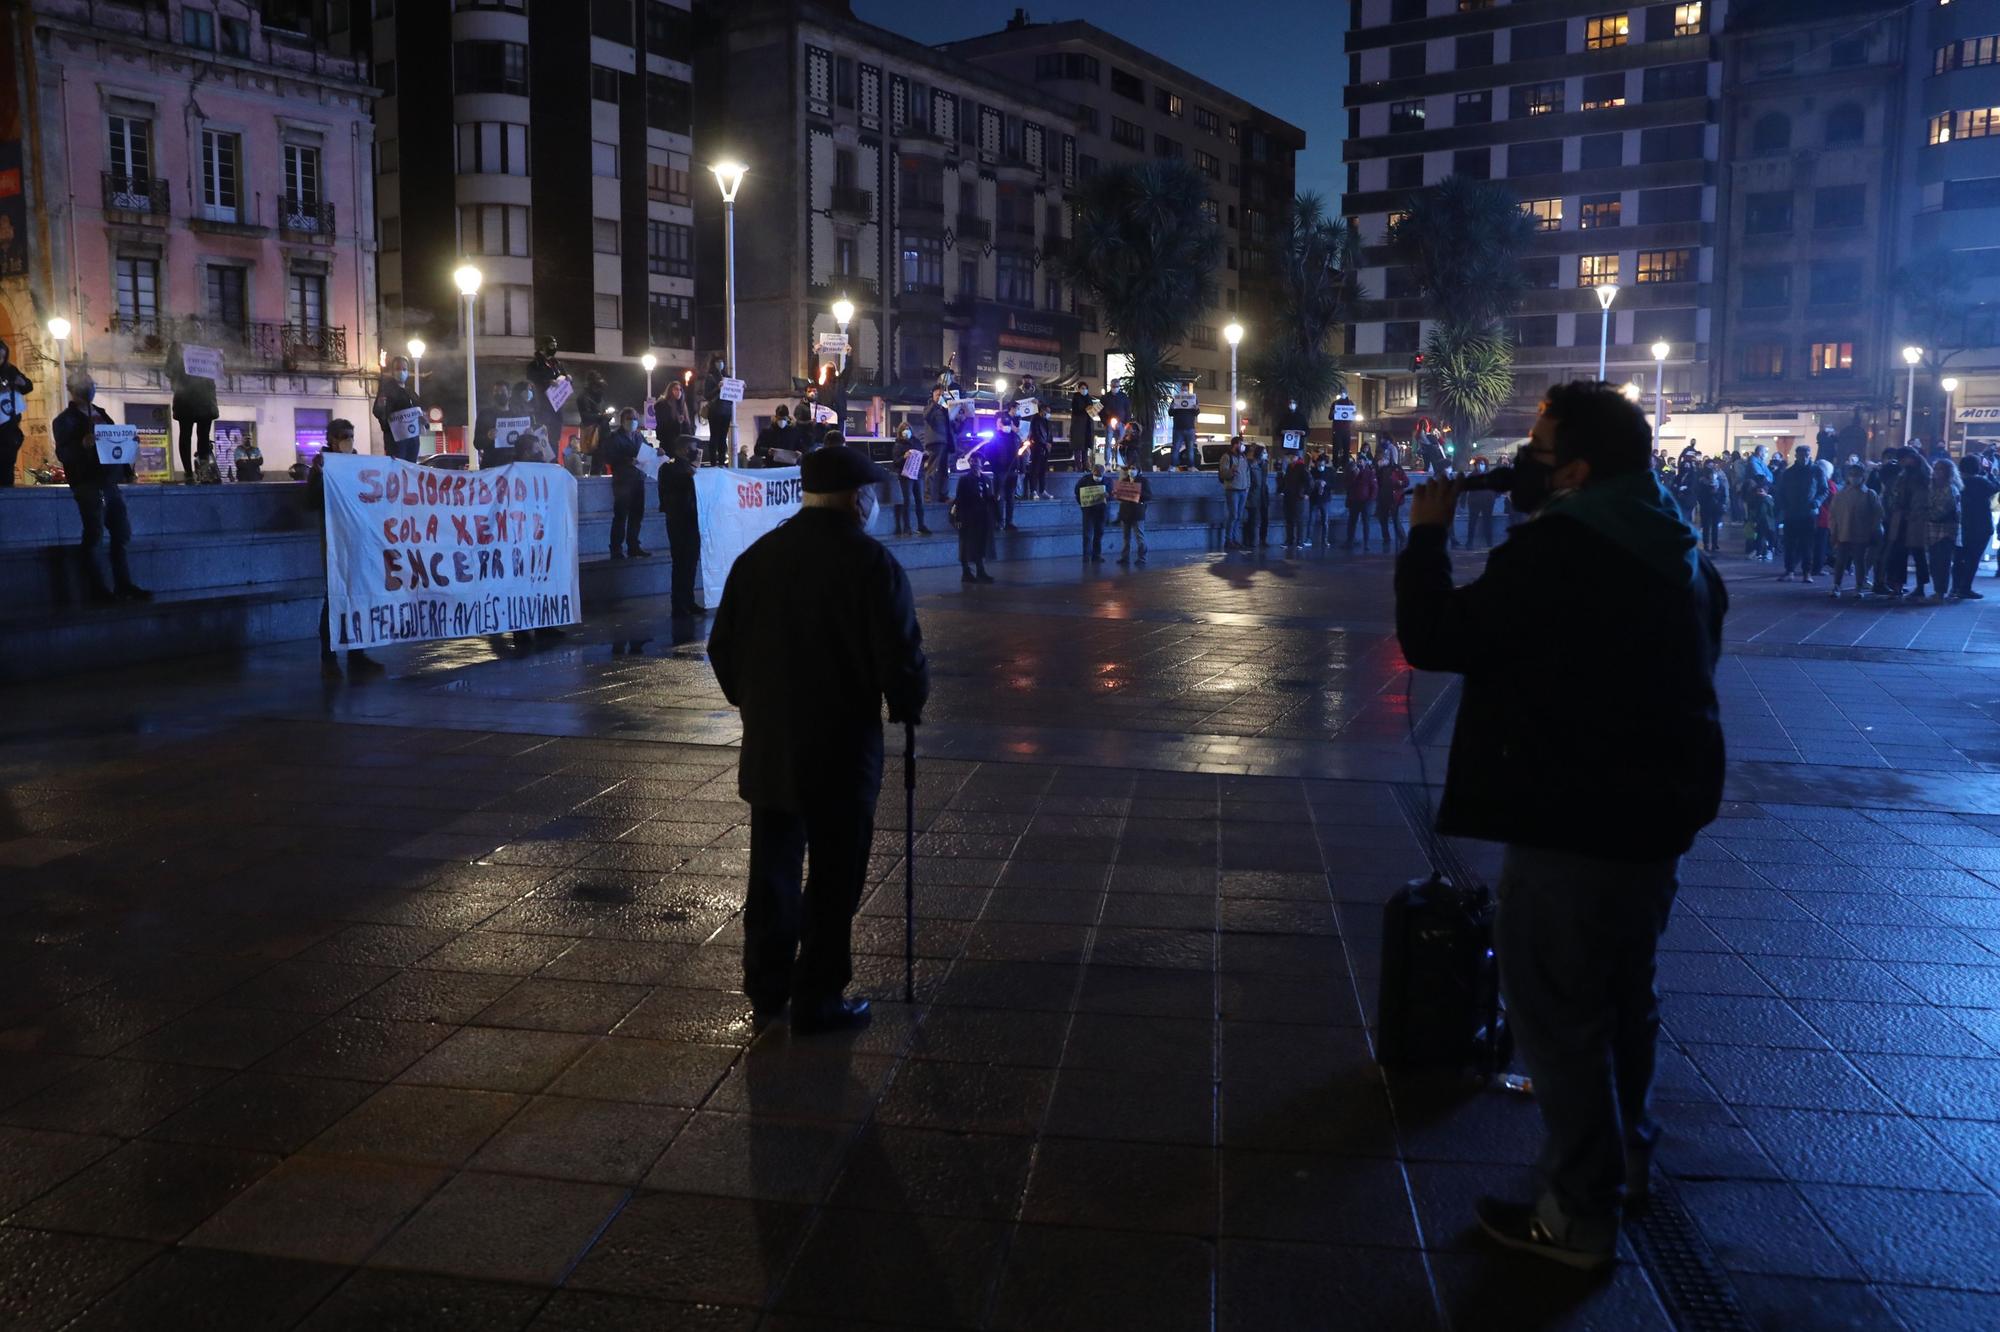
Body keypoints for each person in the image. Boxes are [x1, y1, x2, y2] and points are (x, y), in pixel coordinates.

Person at [1395, 380, 1727, 1271]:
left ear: (1575, 470)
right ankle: (1629, 1162)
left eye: (1537, 452)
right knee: (1623, 998)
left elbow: (1436, 637)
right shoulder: (1673, 543)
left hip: (1573, 815)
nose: (1522, 466)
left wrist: (1426, 537)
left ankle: (1577, 1212)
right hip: (1657, 815)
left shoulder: (1563, 550)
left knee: (1558, 1013)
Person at [708, 444, 929, 1034]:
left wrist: (754, 702)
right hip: (842, 747)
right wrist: (907, 703)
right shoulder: (872, 564)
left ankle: (767, 984)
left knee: (773, 868)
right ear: (857, 500)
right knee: (835, 874)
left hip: (774, 744)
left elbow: (722, 646)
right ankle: (819, 995)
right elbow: (901, 654)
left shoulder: (758, 558)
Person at [51, 370, 150, 604]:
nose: (89, 389)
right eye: (85, 385)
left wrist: (128, 452)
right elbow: (63, 453)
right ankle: (97, 590)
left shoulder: (101, 414)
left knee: (121, 533)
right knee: (94, 534)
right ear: (72, 389)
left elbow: (113, 444)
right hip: (88, 483)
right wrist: (82, 445)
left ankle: (123, 584)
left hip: (109, 482)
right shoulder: (65, 420)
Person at [306, 418, 383, 678]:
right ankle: (328, 658)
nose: (348, 440)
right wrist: (320, 475)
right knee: (334, 598)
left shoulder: (357, 463)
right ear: (331, 439)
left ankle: (357, 654)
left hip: (358, 540)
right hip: (335, 542)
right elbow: (310, 502)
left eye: (351, 435)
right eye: (343, 435)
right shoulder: (322, 465)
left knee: (358, 595)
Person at [657, 437, 701, 617]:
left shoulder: (689, 467)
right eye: (692, 448)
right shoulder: (669, 468)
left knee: (691, 562)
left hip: (692, 518)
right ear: (683, 449)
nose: (695, 452)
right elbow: (679, 486)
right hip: (678, 518)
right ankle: (678, 603)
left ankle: (689, 600)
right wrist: (693, 474)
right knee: (681, 562)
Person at [166, 339, 220, 480]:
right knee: (187, 435)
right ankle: (189, 471)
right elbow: (169, 370)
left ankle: (202, 470)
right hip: (188, 398)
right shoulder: (178, 346)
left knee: (202, 436)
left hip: (203, 399)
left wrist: (218, 361)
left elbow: (216, 369)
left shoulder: (206, 347)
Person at [600, 407, 650, 560]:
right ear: (622, 421)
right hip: (623, 481)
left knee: (637, 514)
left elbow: (648, 450)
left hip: (638, 479)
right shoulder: (614, 438)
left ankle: (633, 546)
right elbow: (608, 457)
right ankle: (616, 548)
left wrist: (657, 452)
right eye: (629, 419)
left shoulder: (639, 436)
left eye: (635, 418)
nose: (633, 422)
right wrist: (627, 460)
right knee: (621, 515)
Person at [1774, 444, 1828, 582]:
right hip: (1791, 513)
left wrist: (1817, 502)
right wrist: (1784, 505)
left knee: (1807, 544)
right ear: (1796, 456)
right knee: (1790, 544)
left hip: (1809, 513)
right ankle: (1790, 570)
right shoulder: (1789, 472)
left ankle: (1806, 572)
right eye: (1801, 455)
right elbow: (1781, 491)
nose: (1804, 458)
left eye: (1806, 455)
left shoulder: (1816, 470)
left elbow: (1824, 489)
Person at [1828, 463, 1883, 598]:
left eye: (1857, 475)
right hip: (1844, 531)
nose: (1854, 478)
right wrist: (1834, 531)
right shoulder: (1840, 495)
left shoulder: (1869, 494)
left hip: (1861, 533)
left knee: (1859, 561)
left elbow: (1878, 514)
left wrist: (1873, 529)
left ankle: (1858, 587)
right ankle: (1837, 585)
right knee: (1841, 560)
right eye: (1852, 475)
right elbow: (1833, 515)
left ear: (1863, 477)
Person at [1954, 456, 1996, 600]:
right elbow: (1995, 487)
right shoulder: (1981, 482)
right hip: (1980, 524)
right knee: (1973, 559)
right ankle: (1965, 587)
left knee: (1959, 557)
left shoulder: (1956, 481)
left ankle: (1955, 587)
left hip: (1961, 523)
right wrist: (1989, 473)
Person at [1922, 456, 1962, 603]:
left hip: (1945, 531)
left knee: (1941, 563)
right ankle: (1938, 591)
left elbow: (1940, 511)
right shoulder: (1931, 486)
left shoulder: (1950, 489)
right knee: (1934, 563)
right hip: (1931, 530)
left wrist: (1924, 512)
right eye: (1936, 469)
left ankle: (1940, 592)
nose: (1937, 472)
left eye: (1941, 469)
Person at [954, 456, 997, 584]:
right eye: (972, 461)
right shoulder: (964, 480)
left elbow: (990, 497)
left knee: (980, 544)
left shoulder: (986, 479)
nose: (974, 464)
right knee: (966, 544)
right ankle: (966, 572)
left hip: (983, 516)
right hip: (969, 516)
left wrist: (995, 514)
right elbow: (959, 499)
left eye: (976, 461)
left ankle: (980, 570)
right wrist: (959, 517)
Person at [373, 354, 421, 463]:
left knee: (411, 467)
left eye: (404, 369)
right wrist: (381, 406)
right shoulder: (386, 390)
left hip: (413, 439)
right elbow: (377, 411)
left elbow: (419, 410)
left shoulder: (411, 392)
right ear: (392, 371)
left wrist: (423, 418)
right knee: (398, 467)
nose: (401, 372)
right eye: (398, 369)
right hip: (396, 441)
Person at [525, 337, 570, 452]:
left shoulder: (557, 364)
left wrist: (568, 379)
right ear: (543, 347)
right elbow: (532, 379)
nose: (554, 348)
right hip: (542, 405)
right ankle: (541, 455)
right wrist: (547, 382)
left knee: (555, 436)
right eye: (551, 345)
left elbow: (564, 377)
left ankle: (554, 457)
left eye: (555, 345)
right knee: (542, 433)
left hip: (557, 405)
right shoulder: (535, 365)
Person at [0, 338, 34, 486]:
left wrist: (22, 383)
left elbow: (27, 386)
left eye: (2, 356)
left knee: (7, 462)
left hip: (10, 424)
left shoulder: (10, 370)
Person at [893, 426, 930, 536]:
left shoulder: (916, 442)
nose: (906, 431)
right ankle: (907, 527)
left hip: (917, 474)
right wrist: (904, 457)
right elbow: (896, 462)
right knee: (907, 501)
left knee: (919, 500)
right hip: (906, 477)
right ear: (900, 432)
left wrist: (925, 455)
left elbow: (921, 457)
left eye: (908, 428)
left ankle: (921, 525)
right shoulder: (898, 445)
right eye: (904, 429)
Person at [993, 413, 1024, 531]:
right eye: (1004, 423)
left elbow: (1020, 453)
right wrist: (995, 467)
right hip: (1000, 471)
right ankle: (1000, 522)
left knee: (1010, 498)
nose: (1006, 425)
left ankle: (1009, 522)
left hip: (1012, 471)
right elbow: (990, 453)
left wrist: (1021, 468)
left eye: (1007, 423)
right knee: (1000, 497)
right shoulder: (996, 436)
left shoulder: (1015, 437)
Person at [1375, 446, 1410, 553]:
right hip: (1383, 497)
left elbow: (1406, 482)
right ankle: (1386, 538)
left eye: (1386, 456)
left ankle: (1403, 538)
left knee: (1395, 519)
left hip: (1394, 497)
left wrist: (1399, 483)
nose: (1384, 458)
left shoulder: (1396, 468)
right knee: (1383, 519)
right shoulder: (1379, 468)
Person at [1114, 465, 1151, 565]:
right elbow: (1120, 496)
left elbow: (1149, 496)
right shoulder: (1124, 481)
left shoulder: (1143, 481)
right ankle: (1125, 557)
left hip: (1137, 512)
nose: (1131, 471)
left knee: (1139, 537)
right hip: (1125, 512)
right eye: (1130, 469)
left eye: (1134, 469)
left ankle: (1142, 558)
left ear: (1138, 470)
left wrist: (1138, 493)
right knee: (1126, 537)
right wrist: (1117, 494)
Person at [925, 387, 957, 498]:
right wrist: (935, 404)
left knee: (944, 471)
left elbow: (953, 427)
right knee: (932, 469)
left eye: (942, 395)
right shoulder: (930, 407)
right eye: (937, 395)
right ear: (933, 396)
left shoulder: (945, 410)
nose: (940, 397)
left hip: (945, 442)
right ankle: (928, 495)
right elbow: (926, 416)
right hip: (935, 442)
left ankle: (944, 495)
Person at [702, 355, 734, 465]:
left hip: (726, 411)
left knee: (723, 438)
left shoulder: (728, 377)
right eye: (718, 362)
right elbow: (707, 395)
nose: (720, 364)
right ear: (713, 364)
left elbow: (733, 392)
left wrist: (740, 387)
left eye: (722, 361)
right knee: (714, 436)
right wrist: (717, 388)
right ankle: (713, 462)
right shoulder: (710, 377)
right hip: (715, 411)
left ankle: (721, 462)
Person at [1219, 438, 1250, 549]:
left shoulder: (1243, 457)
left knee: (1239, 516)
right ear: (1235, 445)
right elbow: (1223, 473)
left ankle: (1234, 538)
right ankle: (1228, 539)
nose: (1242, 446)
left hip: (1243, 490)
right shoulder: (1227, 457)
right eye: (1240, 444)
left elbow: (1247, 472)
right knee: (1233, 515)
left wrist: (1247, 486)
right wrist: (1231, 471)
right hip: (1232, 490)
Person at [1695, 458, 1729, 556]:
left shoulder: (1719, 483)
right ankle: (1706, 543)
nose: (1713, 476)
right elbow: (1700, 495)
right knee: (1706, 526)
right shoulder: (1703, 483)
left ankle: (1714, 544)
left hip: (1716, 507)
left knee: (1714, 526)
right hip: (1707, 506)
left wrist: (1722, 502)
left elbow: (1723, 494)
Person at [1461, 457, 1499, 548]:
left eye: (1482, 464)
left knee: (1487, 522)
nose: (1480, 466)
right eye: (1478, 464)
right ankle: (1469, 543)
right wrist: (1463, 501)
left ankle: (1489, 542)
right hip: (1475, 502)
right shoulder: (1471, 475)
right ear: (1476, 465)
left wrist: (1494, 496)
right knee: (1472, 522)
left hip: (1488, 502)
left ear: (1485, 465)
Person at [655, 378, 696, 461]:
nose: (679, 392)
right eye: (676, 389)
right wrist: (678, 423)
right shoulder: (662, 405)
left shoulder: (682, 405)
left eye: (680, 390)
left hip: (681, 446)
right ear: (670, 391)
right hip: (668, 444)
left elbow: (687, 426)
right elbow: (662, 426)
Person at [1345, 452, 1379, 550]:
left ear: (1365, 462)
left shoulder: (1369, 473)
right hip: (1354, 501)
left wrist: (1370, 499)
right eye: (1358, 461)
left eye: (1361, 461)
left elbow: (1374, 487)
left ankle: (1366, 543)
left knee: (1366, 523)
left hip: (1366, 502)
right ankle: (1350, 541)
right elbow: (1348, 486)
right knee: (1352, 521)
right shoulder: (1353, 473)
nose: (1360, 463)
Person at [575, 371, 608, 472]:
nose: (599, 388)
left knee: (600, 463)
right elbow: (585, 417)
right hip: (593, 433)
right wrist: (601, 416)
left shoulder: (599, 397)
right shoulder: (583, 397)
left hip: (602, 432)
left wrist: (605, 417)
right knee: (597, 463)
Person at [1076, 461, 1109, 562]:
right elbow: (1077, 492)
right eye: (1096, 475)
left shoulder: (1107, 481)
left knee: (1099, 533)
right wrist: (1082, 504)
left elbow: (1111, 494)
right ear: (1092, 472)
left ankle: (1096, 555)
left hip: (1101, 511)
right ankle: (1086, 556)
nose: (1098, 477)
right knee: (1087, 534)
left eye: (1100, 475)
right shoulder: (1084, 480)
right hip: (1088, 511)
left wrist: (1108, 495)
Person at [1277, 451, 1311, 551]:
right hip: (1288, 496)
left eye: (1292, 456)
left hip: (1298, 497)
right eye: (1290, 456)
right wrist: (1282, 490)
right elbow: (1286, 480)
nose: (1290, 458)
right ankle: (1289, 540)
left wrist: (1307, 493)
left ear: (1297, 457)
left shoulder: (1302, 467)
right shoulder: (1289, 467)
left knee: (1299, 519)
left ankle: (1300, 541)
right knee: (1289, 519)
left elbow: (1308, 481)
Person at [474, 383, 512, 469]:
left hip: (512, 466)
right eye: (496, 391)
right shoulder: (485, 414)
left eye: (502, 391)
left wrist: (529, 435)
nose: (499, 393)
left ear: (510, 393)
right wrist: (488, 437)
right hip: (491, 465)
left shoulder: (517, 414)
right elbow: (477, 443)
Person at [1306, 449, 1334, 549]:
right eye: (1319, 464)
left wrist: (1325, 484)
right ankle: (1308, 539)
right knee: (1311, 520)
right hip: (1314, 499)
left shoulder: (1329, 472)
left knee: (1325, 521)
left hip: (1325, 499)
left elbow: (1333, 484)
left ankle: (1324, 540)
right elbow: (1309, 484)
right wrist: (1316, 483)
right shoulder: (1313, 471)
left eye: (1322, 464)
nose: (1320, 466)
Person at [1247, 443, 1272, 547]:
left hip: (1263, 494)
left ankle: (1263, 539)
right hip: (1254, 495)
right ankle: (1251, 540)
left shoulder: (1264, 465)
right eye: (1264, 453)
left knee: (1265, 518)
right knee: (1253, 519)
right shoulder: (1252, 465)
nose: (1266, 454)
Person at [1168, 386, 1199, 470]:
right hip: (1183, 428)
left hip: (1183, 428)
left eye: (1185, 390)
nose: (1184, 391)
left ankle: (1177, 466)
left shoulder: (1192, 399)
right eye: (1183, 390)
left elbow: (1197, 412)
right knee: (1181, 448)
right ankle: (1179, 466)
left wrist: (1196, 408)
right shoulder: (1177, 399)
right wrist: (1172, 407)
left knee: (1183, 448)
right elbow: (1170, 413)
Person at [1069, 384, 1096, 468]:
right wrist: (1085, 410)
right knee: (1078, 447)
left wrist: (1092, 411)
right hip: (1078, 426)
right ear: (1079, 389)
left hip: (1087, 426)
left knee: (1085, 447)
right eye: (1082, 388)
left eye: (1085, 388)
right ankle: (1078, 466)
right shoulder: (1076, 398)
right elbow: (1075, 410)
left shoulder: (1089, 398)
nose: (1084, 390)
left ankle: (1085, 466)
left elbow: (1092, 412)